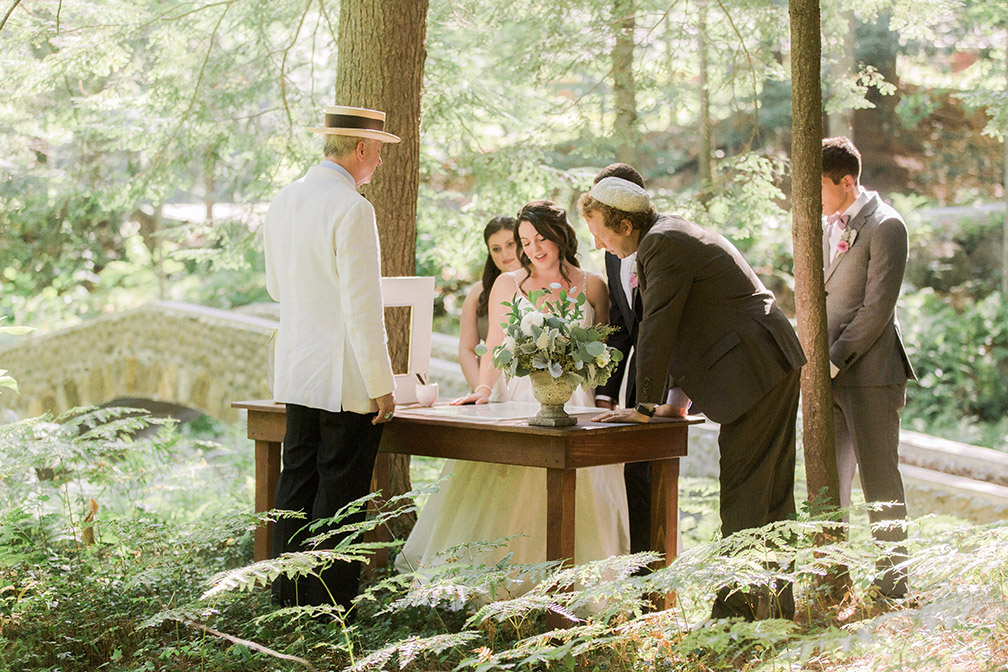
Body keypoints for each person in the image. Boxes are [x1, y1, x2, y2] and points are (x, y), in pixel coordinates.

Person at [582, 175, 806, 621]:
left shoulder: (663, 244)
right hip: (764, 363)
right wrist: (675, 403)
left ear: (625, 225)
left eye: (599, 233)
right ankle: (780, 608)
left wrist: (643, 407)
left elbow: (658, 330)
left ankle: (735, 615)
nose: (599, 244)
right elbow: (686, 327)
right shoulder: (668, 235)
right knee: (770, 494)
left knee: (744, 492)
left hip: (755, 368)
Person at [395, 200, 629, 589]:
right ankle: (500, 582)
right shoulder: (509, 283)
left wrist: (604, 398)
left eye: (542, 239)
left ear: (561, 236)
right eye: (525, 241)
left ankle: (573, 584)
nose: (534, 249)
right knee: (508, 486)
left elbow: (605, 350)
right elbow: (495, 343)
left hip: (577, 400)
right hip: (518, 394)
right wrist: (483, 390)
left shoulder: (593, 286)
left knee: (581, 491)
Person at [264, 105, 399, 611]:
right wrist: (382, 382)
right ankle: (329, 608)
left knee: (295, 481)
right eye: (379, 151)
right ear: (361, 149)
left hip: (297, 364)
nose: (380, 162)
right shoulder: (351, 207)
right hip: (344, 373)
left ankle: (288, 601)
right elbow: (363, 306)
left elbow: (276, 286)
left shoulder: (284, 200)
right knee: (340, 492)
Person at [821, 136, 915, 598]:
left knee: (880, 482)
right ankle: (833, 580)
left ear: (846, 181)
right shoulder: (823, 225)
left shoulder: (888, 226)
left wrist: (832, 362)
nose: (814, 200)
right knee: (829, 480)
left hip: (872, 374)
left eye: (819, 187)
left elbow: (877, 310)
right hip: (826, 378)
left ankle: (892, 583)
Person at [590, 163, 652, 555]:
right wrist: (605, 391)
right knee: (631, 477)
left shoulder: (661, 244)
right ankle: (633, 564)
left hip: (665, 381)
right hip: (634, 381)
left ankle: (654, 573)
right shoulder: (614, 256)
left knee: (649, 477)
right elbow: (621, 325)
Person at [458, 216, 520, 390]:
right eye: (496, 249)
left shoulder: (539, 286)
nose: (504, 254)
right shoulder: (479, 292)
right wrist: (482, 388)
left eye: (510, 244)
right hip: (490, 384)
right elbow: (467, 349)